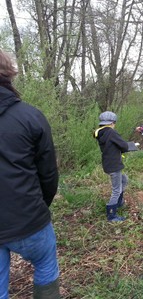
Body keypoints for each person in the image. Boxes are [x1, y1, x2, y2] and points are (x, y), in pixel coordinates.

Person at [0, 50, 61, 298]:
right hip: (27, 218)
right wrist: (38, 208)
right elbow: (48, 174)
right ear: (9, 73)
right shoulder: (29, 116)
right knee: (46, 266)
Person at [94, 111, 137, 222]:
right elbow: (123, 145)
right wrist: (131, 146)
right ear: (112, 123)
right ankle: (112, 214)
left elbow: (113, 145)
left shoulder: (101, 133)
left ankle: (119, 202)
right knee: (116, 190)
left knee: (124, 179)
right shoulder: (111, 133)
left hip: (108, 164)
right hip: (114, 165)